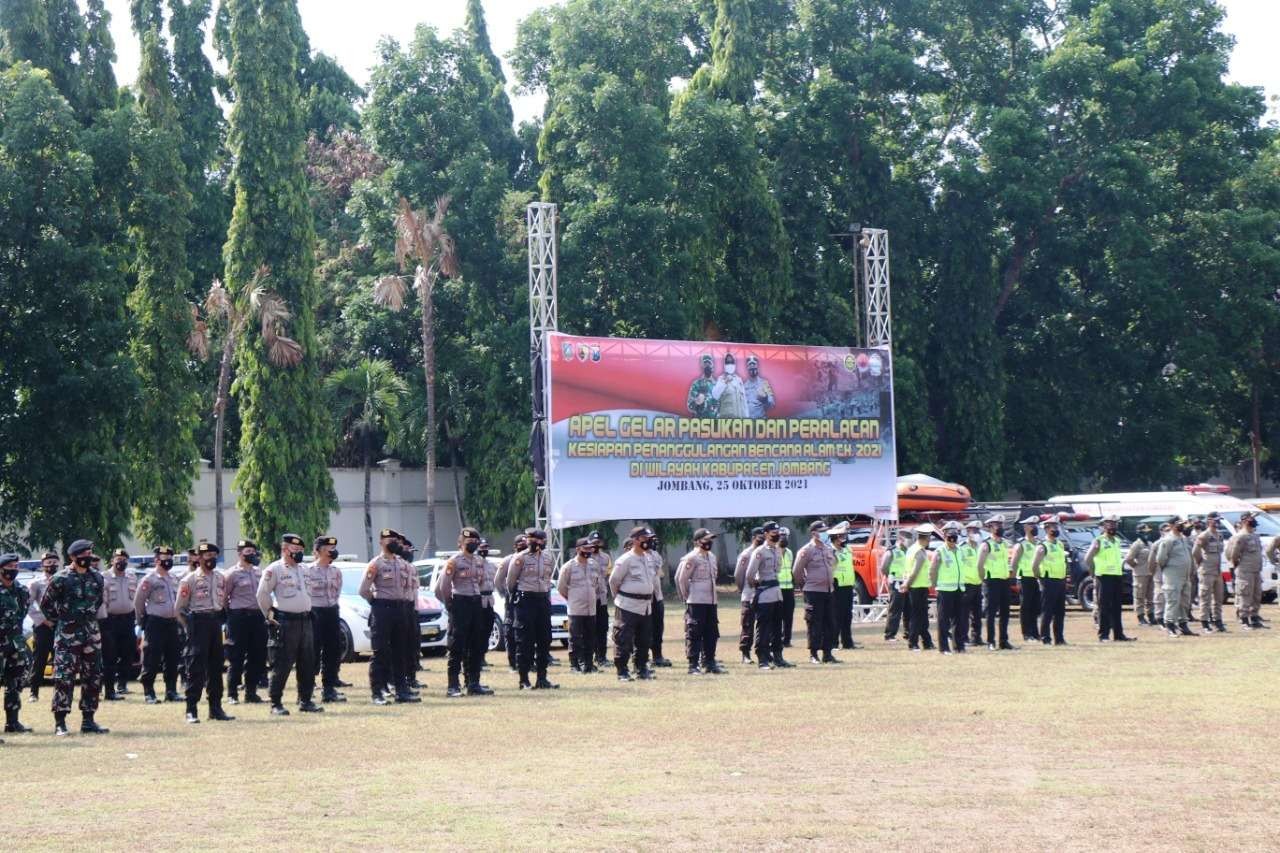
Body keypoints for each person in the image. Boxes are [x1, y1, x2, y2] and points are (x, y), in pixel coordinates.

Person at [40, 539, 108, 736]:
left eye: (89, 553)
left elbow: (98, 601)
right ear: (72, 557)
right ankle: (60, 722)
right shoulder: (60, 579)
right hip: (67, 636)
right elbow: (46, 604)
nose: (87, 557)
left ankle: (88, 720)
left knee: (93, 676)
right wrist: (61, 621)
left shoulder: (96, 577)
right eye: (83, 554)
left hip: (91, 634)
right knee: (64, 677)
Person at [258, 534, 322, 715]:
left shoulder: (304, 569)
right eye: (295, 550)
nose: (299, 554)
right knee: (282, 663)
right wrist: (270, 616)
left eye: (301, 551)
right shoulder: (275, 569)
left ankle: (305, 700)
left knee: (307, 662)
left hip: (306, 620)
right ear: (285, 550)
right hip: (286, 622)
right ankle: (275, 703)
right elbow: (262, 594)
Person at [360, 529, 420, 704]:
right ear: (381, 542)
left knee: (400, 651)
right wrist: (377, 603)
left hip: (400, 610)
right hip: (382, 610)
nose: (393, 542)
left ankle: (402, 691)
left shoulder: (402, 564)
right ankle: (377, 692)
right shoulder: (375, 564)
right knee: (380, 652)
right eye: (389, 539)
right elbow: (363, 590)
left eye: (395, 539)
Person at [175, 541, 233, 723]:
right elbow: (179, 609)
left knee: (216, 668)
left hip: (215, 623)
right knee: (196, 669)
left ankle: (215, 709)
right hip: (197, 624)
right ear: (199, 558)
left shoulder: (220, 577)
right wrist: (189, 628)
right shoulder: (189, 580)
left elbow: (223, 602)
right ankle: (191, 710)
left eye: (214, 556)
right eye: (207, 556)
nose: (211, 559)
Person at [439, 527, 495, 697]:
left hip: (476, 603)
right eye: (468, 542)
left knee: (476, 645)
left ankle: (473, 682)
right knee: (457, 646)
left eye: (475, 542)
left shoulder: (479, 561)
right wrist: (451, 604)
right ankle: (453, 685)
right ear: (461, 543)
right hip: (460, 602)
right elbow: (443, 586)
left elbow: (480, 581)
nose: (472, 544)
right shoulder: (454, 561)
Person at [507, 528, 558, 690]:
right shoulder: (520, 558)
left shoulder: (548, 557)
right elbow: (510, 582)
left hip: (543, 600)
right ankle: (524, 680)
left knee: (544, 640)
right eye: (539, 540)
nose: (542, 543)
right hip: (526, 601)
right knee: (525, 642)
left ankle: (542, 679)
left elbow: (548, 579)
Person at [610, 526, 662, 681]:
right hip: (628, 605)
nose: (648, 541)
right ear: (635, 540)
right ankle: (622, 671)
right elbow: (613, 581)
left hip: (646, 606)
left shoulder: (648, 558)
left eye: (649, 538)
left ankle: (641, 668)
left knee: (644, 639)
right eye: (644, 538)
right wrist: (620, 600)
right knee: (623, 639)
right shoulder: (625, 560)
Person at [134, 546, 182, 704]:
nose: (167, 560)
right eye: (164, 557)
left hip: (172, 623)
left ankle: (171, 691)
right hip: (155, 622)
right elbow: (139, 601)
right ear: (156, 560)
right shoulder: (149, 579)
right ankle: (149, 692)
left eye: (169, 557)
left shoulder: (174, 578)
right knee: (151, 658)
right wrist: (143, 620)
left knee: (173, 657)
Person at [223, 539, 267, 705]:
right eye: (247, 552)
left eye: (253, 551)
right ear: (240, 554)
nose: (251, 555)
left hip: (257, 617)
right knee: (236, 656)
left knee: (257, 656)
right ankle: (232, 693)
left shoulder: (258, 572)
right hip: (239, 617)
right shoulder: (231, 574)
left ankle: (251, 692)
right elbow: (224, 598)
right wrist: (232, 614)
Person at [675, 528, 723, 674]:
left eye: (710, 539)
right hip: (696, 600)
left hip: (711, 600)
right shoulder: (691, 557)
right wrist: (688, 596)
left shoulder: (712, 557)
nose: (709, 542)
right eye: (705, 539)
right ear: (697, 542)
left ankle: (709, 662)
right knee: (694, 633)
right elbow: (681, 579)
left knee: (711, 633)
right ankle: (693, 664)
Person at [305, 535, 346, 702]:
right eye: (328, 548)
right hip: (315, 612)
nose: (332, 551)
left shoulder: (336, 571)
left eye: (333, 548)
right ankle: (309, 685)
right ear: (319, 551)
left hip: (331, 611)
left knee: (333, 649)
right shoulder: (307, 570)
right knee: (312, 650)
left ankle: (329, 688)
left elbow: (337, 591)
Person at [746, 521, 791, 669]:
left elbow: (777, 571)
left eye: (777, 532)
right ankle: (762, 659)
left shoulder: (778, 550)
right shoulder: (759, 552)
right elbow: (750, 575)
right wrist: (759, 587)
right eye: (773, 533)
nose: (777, 535)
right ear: (766, 534)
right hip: (764, 594)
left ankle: (778, 657)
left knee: (778, 627)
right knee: (764, 628)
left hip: (777, 593)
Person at [1084, 514, 1134, 642]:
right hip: (1103, 576)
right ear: (1104, 525)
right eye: (1109, 524)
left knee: (1117, 606)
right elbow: (1088, 558)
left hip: (1116, 576)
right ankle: (1103, 635)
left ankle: (1118, 634)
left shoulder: (1116, 540)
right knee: (1104, 606)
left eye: (1114, 524)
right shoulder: (1099, 540)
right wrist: (1093, 572)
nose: (1112, 526)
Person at [558, 537, 601, 675]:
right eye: (585, 549)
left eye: (590, 549)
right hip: (576, 608)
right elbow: (561, 588)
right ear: (578, 550)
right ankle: (574, 664)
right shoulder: (569, 567)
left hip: (591, 608)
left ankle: (588, 664)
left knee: (590, 637)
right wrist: (572, 599)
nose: (588, 551)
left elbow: (597, 584)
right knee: (575, 638)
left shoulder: (594, 565)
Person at [1, 553, 32, 737]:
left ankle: (12, 722)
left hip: (14, 643)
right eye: (9, 567)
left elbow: (23, 611)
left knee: (14, 684)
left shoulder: (21, 590)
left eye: (15, 567)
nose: (13, 570)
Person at [100, 548, 138, 700]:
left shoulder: (132, 577)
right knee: (109, 656)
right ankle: (109, 690)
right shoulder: (104, 577)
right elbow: (101, 601)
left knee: (128, 653)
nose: (121, 562)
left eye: (124, 559)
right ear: (112, 560)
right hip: (110, 621)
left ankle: (122, 685)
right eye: (118, 559)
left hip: (128, 620)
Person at [1155, 518, 1196, 637]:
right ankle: (1170, 625)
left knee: (1184, 601)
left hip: (1185, 575)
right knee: (1173, 600)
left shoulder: (1183, 539)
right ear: (1172, 525)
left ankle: (1183, 624)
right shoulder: (1168, 540)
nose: (1183, 526)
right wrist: (1170, 569)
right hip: (1172, 575)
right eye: (1179, 524)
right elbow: (1160, 559)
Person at [1031, 517, 1068, 646]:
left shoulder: (1059, 544)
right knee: (1047, 611)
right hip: (1048, 581)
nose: (1055, 529)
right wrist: (1040, 578)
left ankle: (1059, 638)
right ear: (1046, 529)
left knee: (1060, 611)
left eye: (1056, 526)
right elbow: (1034, 565)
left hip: (1060, 580)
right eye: (1053, 527)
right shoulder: (1042, 546)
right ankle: (1045, 637)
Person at [26, 552, 58, 701]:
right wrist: (43, 620)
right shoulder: (36, 583)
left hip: (61, 626)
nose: (52, 565)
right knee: (40, 659)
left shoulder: (62, 580)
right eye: (49, 562)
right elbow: (29, 604)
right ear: (43, 565)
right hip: (43, 627)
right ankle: (34, 691)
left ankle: (60, 690)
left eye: (54, 562)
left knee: (61, 659)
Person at [1226, 511, 1266, 630]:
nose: (1252, 521)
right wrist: (1236, 564)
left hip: (1256, 570)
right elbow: (1233, 554)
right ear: (1244, 521)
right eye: (1250, 519)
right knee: (1245, 595)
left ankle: (1254, 618)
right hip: (1245, 570)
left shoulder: (1254, 535)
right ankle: (1244, 620)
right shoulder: (1240, 536)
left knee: (1256, 595)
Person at [930, 522, 966, 654]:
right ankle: (944, 647)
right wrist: (934, 586)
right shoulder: (940, 551)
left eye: (954, 538)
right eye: (950, 538)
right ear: (944, 536)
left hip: (958, 589)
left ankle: (959, 646)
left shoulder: (960, 550)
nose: (952, 541)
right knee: (943, 620)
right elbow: (933, 570)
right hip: (945, 590)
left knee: (959, 619)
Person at [495, 534, 527, 672]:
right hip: (512, 599)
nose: (523, 545)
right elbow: (498, 581)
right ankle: (513, 663)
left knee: (526, 631)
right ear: (515, 546)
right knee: (511, 631)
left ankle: (527, 662)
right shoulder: (508, 560)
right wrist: (506, 594)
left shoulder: (531, 559)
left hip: (527, 600)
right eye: (520, 543)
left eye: (525, 543)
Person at [1192, 512, 1227, 633]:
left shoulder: (1219, 535)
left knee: (1218, 598)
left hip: (1217, 570)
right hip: (1206, 570)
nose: (1218, 522)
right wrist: (1201, 563)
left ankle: (1218, 621)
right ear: (1209, 520)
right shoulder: (1203, 535)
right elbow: (1195, 553)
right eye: (1216, 520)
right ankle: (1205, 622)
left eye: (1219, 520)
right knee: (1205, 597)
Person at [735, 527, 765, 664]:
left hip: (764, 595)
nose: (763, 539)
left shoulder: (765, 552)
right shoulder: (746, 554)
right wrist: (744, 590)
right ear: (754, 537)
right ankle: (745, 653)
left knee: (764, 625)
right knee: (747, 624)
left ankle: (763, 651)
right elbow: (739, 575)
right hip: (749, 594)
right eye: (760, 536)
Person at [903, 525, 936, 651]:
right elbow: (914, 571)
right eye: (929, 538)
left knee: (921, 616)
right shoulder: (920, 552)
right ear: (926, 538)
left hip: (916, 586)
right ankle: (913, 642)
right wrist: (907, 584)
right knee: (917, 616)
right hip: (917, 587)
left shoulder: (912, 549)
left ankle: (927, 642)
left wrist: (906, 583)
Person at [878, 528, 911, 644]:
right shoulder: (892, 551)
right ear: (901, 539)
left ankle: (908, 632)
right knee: (895, 609)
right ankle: (890, 634)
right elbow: (884, 567)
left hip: (907, 582)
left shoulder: (908, 551)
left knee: (909, 608)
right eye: (907, 538)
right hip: (896, 582)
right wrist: (890, 577)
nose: (909, 541)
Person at [1012, 516, 1042, 642]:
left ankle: (1035, 632)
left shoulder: (1039, 543)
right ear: (1025, 527)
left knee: (1036, 606)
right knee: (1026, 606)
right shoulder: (1021, 545)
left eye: (1035, 524)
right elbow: (1014, 562)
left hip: (1037, 578)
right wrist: (1013, 578)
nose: (1034, 527)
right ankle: (1027, 633)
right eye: (1031, 524)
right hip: (1025, 578)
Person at [830, 522, 858, 650]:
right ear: (835, 538)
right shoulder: (831, 551)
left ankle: (848, 642)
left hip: (848, 585)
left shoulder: (848, 549)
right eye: (841, 536)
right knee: (837, 615)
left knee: (848, 615)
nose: (844, 539)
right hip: (837, 586)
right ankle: (833, 642)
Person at [958, 520, 984, 645]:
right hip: (966, 584)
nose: (977, 533)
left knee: (977, 613)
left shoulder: (980, 547)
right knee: (963, 613)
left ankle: (976, 637)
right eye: (974, 531)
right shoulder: (962, 547)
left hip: (978, 583)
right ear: (968, 532)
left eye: (978, 531)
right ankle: (963, 637)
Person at [587, 532, 611, 668]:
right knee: (590, 629)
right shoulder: (583, 557)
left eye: (598, 542)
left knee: (602, 628)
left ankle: (602, 657)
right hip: (589, 599)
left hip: (601, 599)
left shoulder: (606, 558)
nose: (596, 545)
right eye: (593, 542)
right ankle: (589, 657)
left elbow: (608, 577)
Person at [1127, 524, 1157, 626]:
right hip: (1140, 574)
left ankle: (1151, 616)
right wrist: (1136, 566)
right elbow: (1129, 558)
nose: (1147, 534)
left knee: (1150, 596)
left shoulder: (1150, 544)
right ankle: (1140, 617)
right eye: (1144, 532)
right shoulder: (1136, 544)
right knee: (1139, 596)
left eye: (1148, 532)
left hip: (1150, 573)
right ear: (1139, 533)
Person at [649, 537, 672, 667]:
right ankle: (642, 658)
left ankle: (657, 656)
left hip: (657, 596)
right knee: (644, 630)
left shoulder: (656, 555)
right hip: (643, 599)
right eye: (650, 540)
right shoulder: (634, 556)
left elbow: (661, 573)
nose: (653, 543)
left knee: (658, 628)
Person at [776, 526, 796, 647]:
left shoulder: (789, 553)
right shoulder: (773, 551)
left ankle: (787, 640)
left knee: (789, 616)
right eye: (781, 535)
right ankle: (778, 639)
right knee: (778, 616)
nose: (783, 538)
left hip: (789, 589)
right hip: (777, 589)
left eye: (785, 536)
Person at [713, 353, 748, 418]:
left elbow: (744, 402)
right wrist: (725, 382)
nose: (730, 364)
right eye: (728, 362)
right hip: (726, 420)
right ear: (724, 365)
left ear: (735, 364)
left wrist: (746, 417)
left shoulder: (739, 380)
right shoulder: (721, 379)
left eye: (732, 362)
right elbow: (715, 395)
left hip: (739, 420)